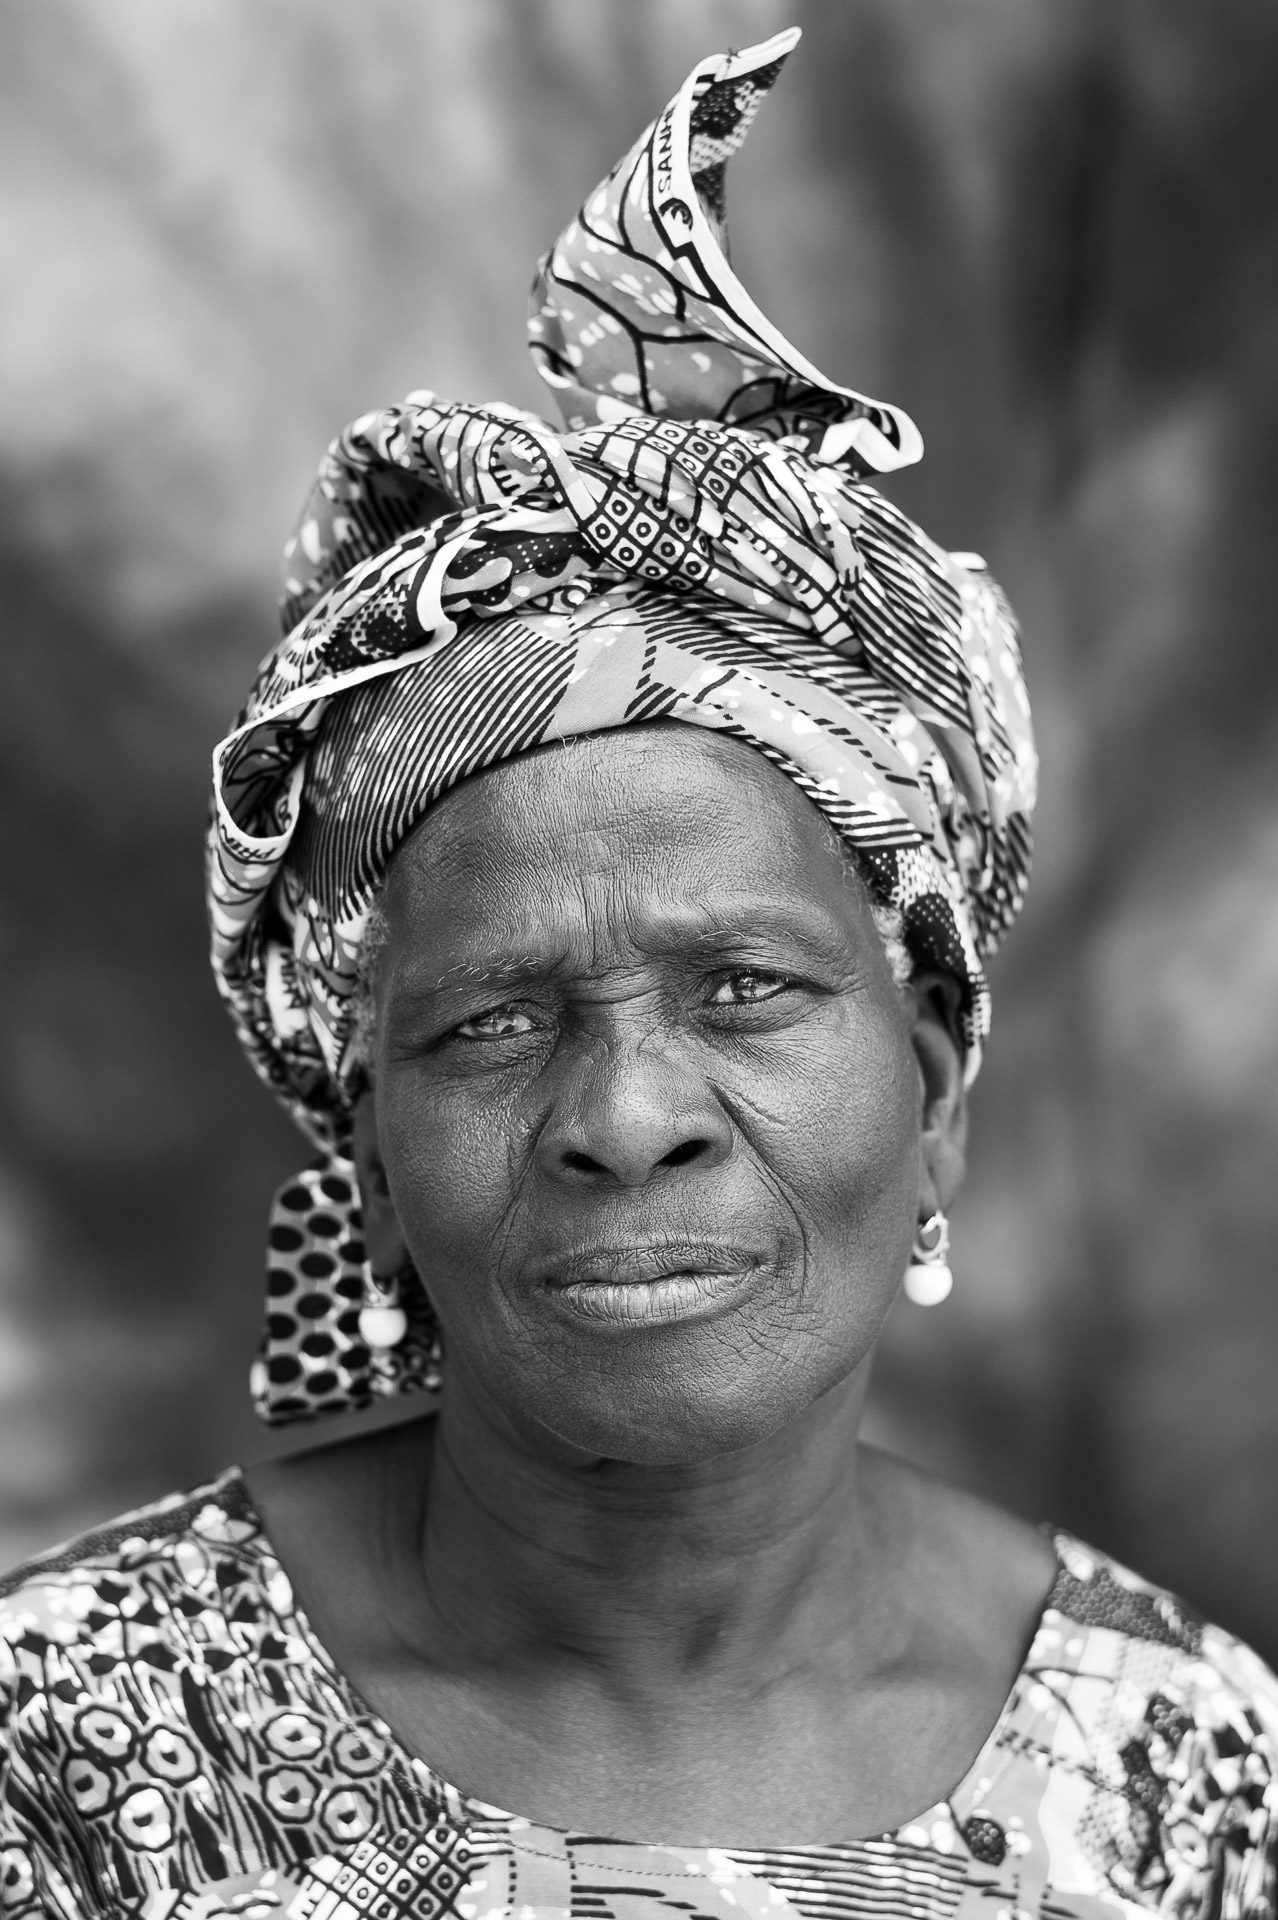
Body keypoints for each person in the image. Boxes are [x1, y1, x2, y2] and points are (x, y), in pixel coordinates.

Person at [2, 29, 1274, 1920]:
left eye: (744, 987)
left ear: (933, 1089)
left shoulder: (1187, 1767)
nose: (625, 1117)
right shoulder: (62, 1747)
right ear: (367, 1154)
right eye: (492, 1022)